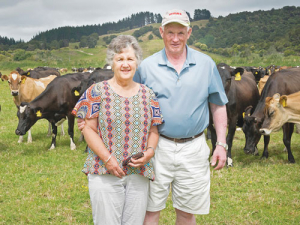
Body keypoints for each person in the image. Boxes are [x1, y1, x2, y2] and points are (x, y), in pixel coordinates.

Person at [133, 9, 228, 225]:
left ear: (189, 33)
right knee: (149, 210)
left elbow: (218, 106)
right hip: (156, 148)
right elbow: (132, 105)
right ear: (161, 32)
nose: (175, 39)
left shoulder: (206, 64)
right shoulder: (146, 67)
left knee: (186, 212)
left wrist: (221, 144)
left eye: (180, 33)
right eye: (170, 32)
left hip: (194, 147)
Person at [72, 35, 164, 225]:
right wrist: (108, 159)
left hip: (138, 175)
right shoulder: (96, 92)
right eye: (119, 59)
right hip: (104, 172)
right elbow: (88, 129)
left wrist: (149, 152)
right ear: (111, 63)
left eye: (130, 59)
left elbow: (154, 131)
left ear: (137, 62)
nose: (125, 64)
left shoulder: (148, 94)